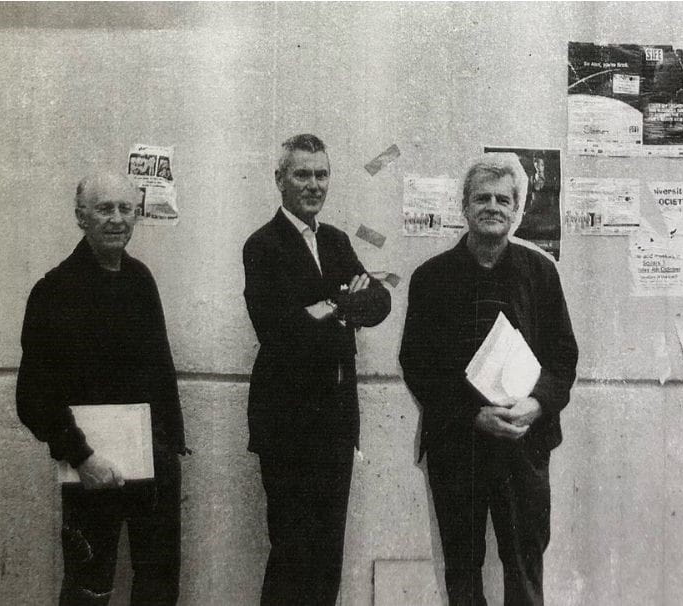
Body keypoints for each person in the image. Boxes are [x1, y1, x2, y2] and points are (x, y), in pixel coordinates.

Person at [399, 153, 578, 606]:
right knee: (462, 570)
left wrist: (536, 404)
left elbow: (563, 360)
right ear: (464, 206)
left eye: (503, 199)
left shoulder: (541, 273)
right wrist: (472, 416)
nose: (492, 207)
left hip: (525, 442)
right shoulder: (430, 278)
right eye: (482, 198)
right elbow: (417, 365)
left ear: (517, 209)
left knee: (524, 565)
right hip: (458, 446)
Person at [15, 172, 187, 606]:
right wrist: (83, 457)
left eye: (125, 209)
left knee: (158, 584)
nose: (116, 219)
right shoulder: (54, 291)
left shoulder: (141, 281)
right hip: (89, 471)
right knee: (88, 590)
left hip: (152, 468)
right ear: (81, 216)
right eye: (104, 209)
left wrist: (168, 448)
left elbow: (161, 374)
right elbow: (33, 396)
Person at [241, 134, 390, 605]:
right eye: (302, 174)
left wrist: (327, 307)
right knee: (291, 555)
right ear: (280, 179)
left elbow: (380, 301)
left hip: (335, 423)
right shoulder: (262, 246)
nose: (313, 184)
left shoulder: (337, 240)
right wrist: (345, 301)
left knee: (327, 559)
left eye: (321, 174)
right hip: (287, 426)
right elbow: (280, 330)